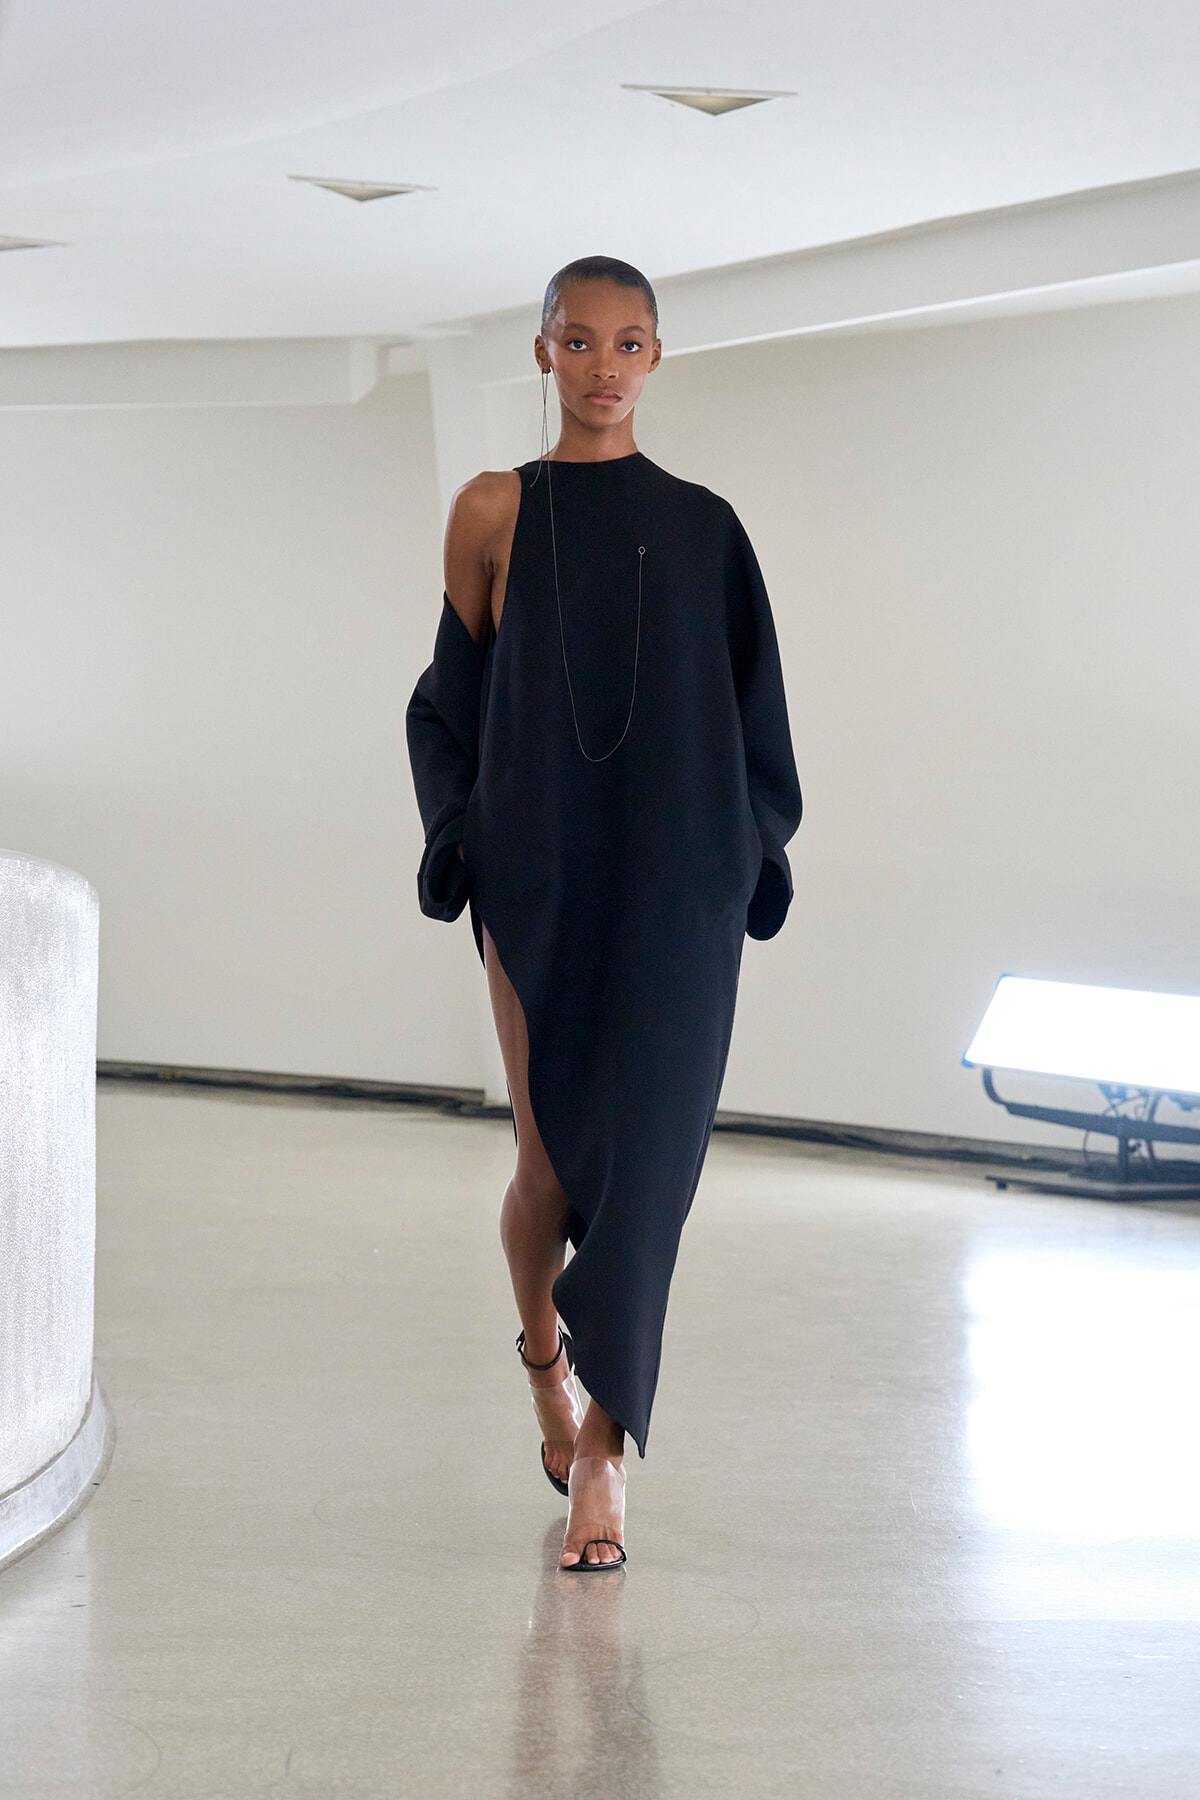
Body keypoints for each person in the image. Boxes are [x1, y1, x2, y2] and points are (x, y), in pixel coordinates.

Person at [407, 255, 801, 1570]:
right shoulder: (492, 510)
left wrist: (750, 852)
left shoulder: (706, 526)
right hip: (539, 873)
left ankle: (602, 1456)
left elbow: (754, 721)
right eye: (578, 343)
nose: (605, 369)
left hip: (679, 878)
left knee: (660, 1174)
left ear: (656, 358)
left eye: (630, 344)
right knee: (555, 1161)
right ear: (542, 355)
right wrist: (459, 836)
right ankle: (541, 1366)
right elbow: (449, 701)